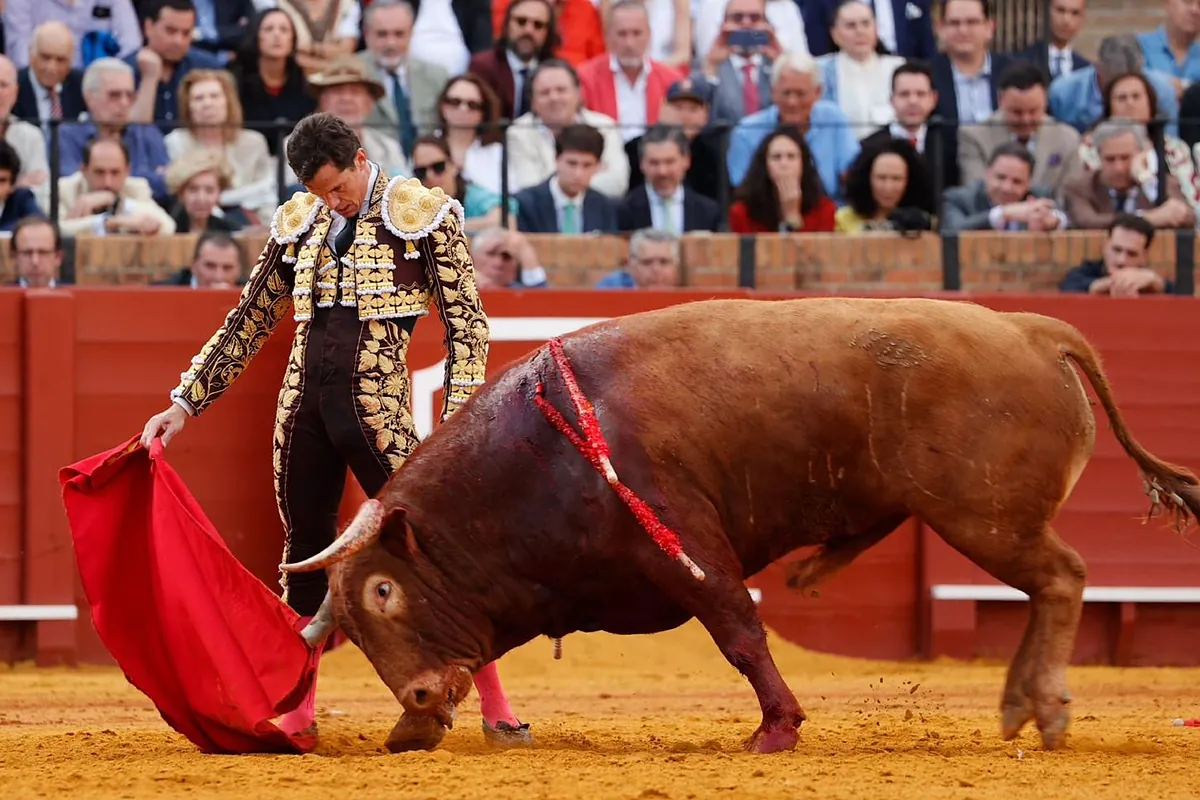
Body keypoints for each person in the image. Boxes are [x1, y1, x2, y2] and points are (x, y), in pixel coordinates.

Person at [137, 112, 528, 748]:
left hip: (378, 411)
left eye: (337, 187)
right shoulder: (300, 223)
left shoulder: (421, 215)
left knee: (431, 550)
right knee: (303, 553)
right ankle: (298, 708)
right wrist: (184, 404)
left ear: (360, 158)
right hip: (303, 413)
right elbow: (249, 321)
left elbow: (467, 323)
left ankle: (497, 705)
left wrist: (457, 417)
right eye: (318, 192)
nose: (331, 202)